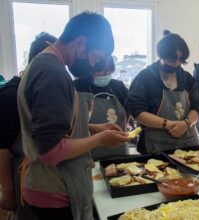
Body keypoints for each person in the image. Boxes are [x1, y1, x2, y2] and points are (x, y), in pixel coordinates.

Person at [17, 12, 129, 220]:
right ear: (80, 42)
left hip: (51, 189)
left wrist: (94, 128)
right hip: (53, 193)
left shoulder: (48, 65)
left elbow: (59, 128)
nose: (93, 65)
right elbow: (51, 151)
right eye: (95, 57)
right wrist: (100, 139)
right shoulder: (52, 73)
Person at [0, 32, 56, 220]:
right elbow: (2, 149)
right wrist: (8, 192)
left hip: (47, 175)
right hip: (21, 174)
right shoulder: (11, 94)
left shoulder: (45, 90)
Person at [127, 30, 199, 154]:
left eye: (180, 60)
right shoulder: (145, 78)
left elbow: (198, 106)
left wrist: (186, 123)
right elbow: (136, 110)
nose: (176, 64)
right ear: (161, 56)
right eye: (172, 60)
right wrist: (168, 124)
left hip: (188, 141)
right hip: (156, 144)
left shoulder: (187, 78)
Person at [74, 56, 129, 160]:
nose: (105, 75)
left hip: (118, 150)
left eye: (108, 72)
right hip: (89, 150)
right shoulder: (79, 86)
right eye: (100, 72)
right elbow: (73, 120)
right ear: (91, 69)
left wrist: (124, 125)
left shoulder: (118, 86)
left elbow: (128, 109)